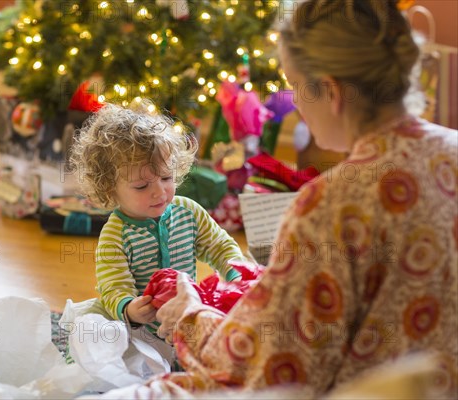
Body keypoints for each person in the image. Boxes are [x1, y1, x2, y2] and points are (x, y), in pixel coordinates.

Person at [139, 0, 457, 398]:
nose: (296, 103)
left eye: (295, 85)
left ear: (331, 91)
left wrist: (189, 314)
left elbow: (274, 368)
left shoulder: (331, 204)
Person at [69, 101, 246, 334]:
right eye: (142, 186)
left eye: (166, 177)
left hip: (185, 319)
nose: (160, 192)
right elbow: (113, 287)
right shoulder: (115, 235)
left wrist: (237, 273)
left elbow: (220, 247)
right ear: (109, 188)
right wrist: (130, 309)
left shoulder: (189, 212)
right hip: (140, 331)